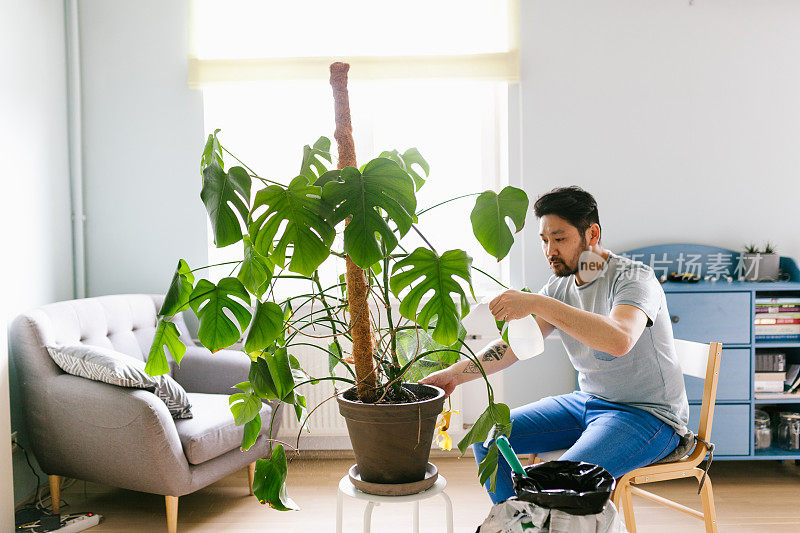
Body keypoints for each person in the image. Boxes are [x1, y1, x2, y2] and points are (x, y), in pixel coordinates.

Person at [421, 186, 688, 503]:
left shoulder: (632, 278)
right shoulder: (559, 286)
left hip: (648, 416)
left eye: (559, 239)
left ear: (591, 234)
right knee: (487, 438)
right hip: (588, 403)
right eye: (544, 240)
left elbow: (619, 339)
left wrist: (537, 301)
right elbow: (513, 347)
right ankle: (517, 522)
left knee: (558, 479)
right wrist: (455, 373)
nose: (550, 250)